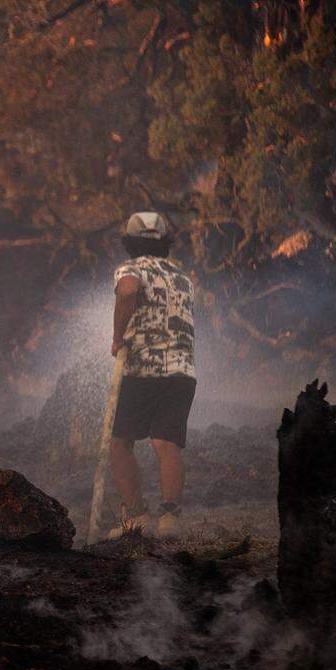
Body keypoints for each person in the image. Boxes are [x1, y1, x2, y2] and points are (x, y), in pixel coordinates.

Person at [108, 211, 197, 538]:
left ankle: (136, 518)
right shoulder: (181, 275)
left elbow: (128, 291)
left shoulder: (131, 269)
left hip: (144, 368)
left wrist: (118, 337)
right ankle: (170, 519)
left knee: (120, 443)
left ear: (129, 243)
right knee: (167, 442)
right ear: (164, 242)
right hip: (183, 371)